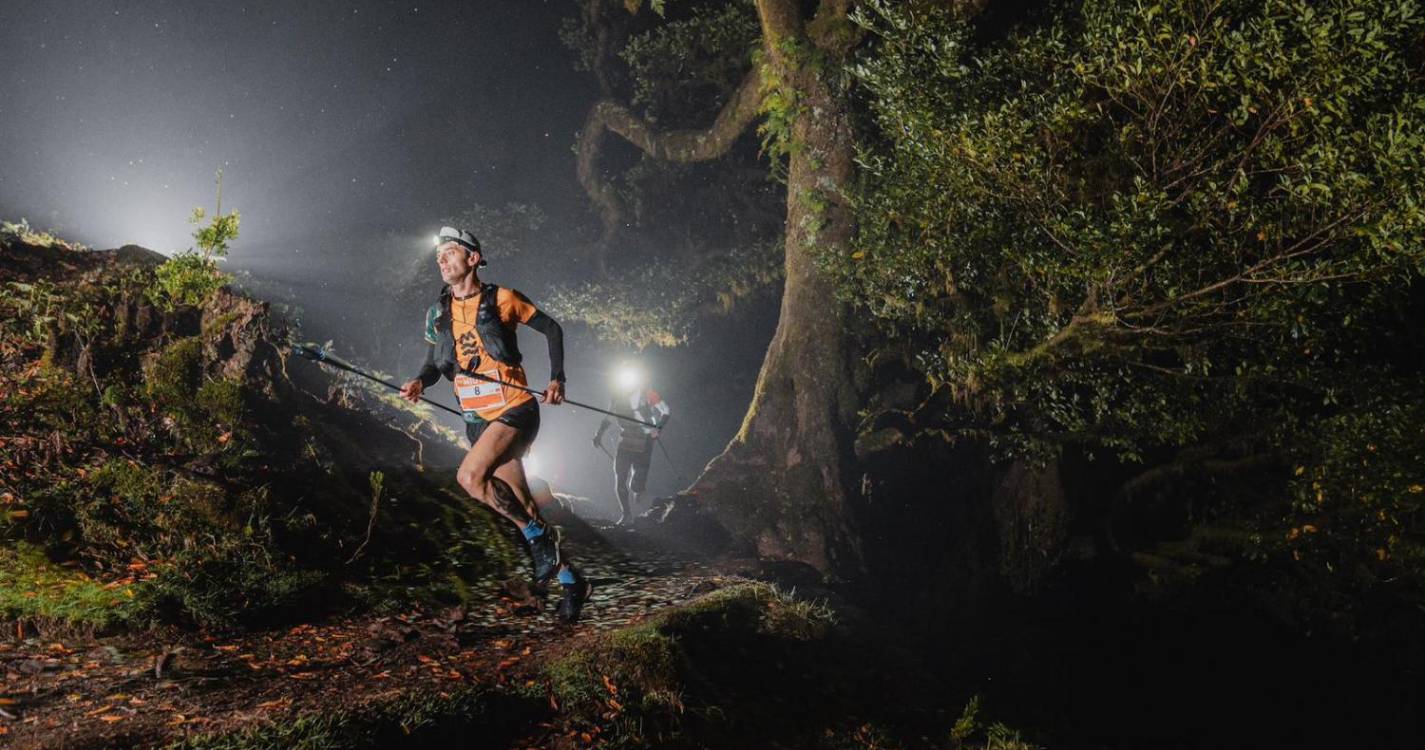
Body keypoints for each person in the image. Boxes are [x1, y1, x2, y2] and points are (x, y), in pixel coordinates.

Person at [399, 226, 591, 624]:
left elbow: (551, 328)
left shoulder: (502, 298)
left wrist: (557, 379)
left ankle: (538, 541)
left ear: (473, 258)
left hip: (515, 409)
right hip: (476, 419)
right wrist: (420, 381)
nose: (442, 260)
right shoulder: (438, 313)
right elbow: (436, 364)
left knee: (470, 477)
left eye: (450, 253)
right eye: (439, 256)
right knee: (524, 508)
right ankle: (573, 582)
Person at [592, 364, 671, 526]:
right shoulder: (617, 396)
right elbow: (608, 417)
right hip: (625, 439)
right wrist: (598, 435)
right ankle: (626, 514)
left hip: (645, 440)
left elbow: (666, 411)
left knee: (635, 484)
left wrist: (658, 428)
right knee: (620, 477)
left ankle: (645, 498)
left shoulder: (648, 394)